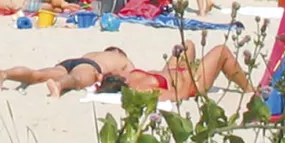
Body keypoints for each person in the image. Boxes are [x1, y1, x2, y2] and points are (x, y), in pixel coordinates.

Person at [98, 40, 253, 101]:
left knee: (187, 45)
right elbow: (179, 95)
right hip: (193, 83)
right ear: (116, 77)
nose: (119, 67)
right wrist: (189, 74)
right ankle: (249, 89)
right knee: (222, 51)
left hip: (172, 72)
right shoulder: (142, 90)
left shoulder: (130, 76)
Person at [0, 45, 135, 96]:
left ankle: (4, 74)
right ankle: (59, 85)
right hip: (90, 66)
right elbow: (132, 76)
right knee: (76, 80)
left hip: (70, 62)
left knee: (37, 74)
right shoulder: (123, 59)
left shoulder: (95, 52)